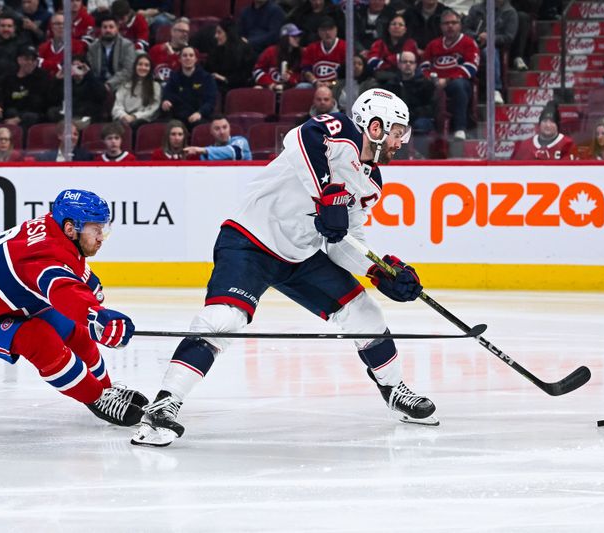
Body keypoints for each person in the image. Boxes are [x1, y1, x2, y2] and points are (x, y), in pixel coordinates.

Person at [131, 88, 435, 447]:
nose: (402, 140)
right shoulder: (337, 132)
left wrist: (380, 270)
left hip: (300, 258)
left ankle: (394, 390)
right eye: (398, 131)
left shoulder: (371, 182)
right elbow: (301, 139)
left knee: (364, 311)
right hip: (249, 242)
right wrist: (327, 194)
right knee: (223, 321)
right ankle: (163, 408)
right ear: (375, 125)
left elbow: (343, 240)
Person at [0, 189, 147, 428]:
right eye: (96, 230)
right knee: (38, 338)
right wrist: (94, 314)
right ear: (70, 229)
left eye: (103, 229)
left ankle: (106, 389)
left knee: (71, 328)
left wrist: (89, 289)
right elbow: (60, 286)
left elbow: (66, 264)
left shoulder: (54, 227)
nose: (101, 237)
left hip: (0, 294)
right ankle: (98, 399)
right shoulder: (43, 256)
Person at [420, 9, 479, 141]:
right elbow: (424, 66)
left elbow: (471, 67)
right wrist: (432, 78)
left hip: (458, 82)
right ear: (441, 26)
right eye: (446, 23)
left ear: (460, 25)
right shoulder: (433, 44)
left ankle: (460, 128)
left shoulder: (469, 43)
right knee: (420, 84)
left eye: (454, 22)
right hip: (435, 81)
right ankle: (427, 127)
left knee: (459, 86)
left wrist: (447, 80)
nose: (450, 26)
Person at [383, 50, 436, 158]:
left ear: (415, 65)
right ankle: (397, 157)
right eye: (405, 61)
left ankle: (420, 155)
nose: (408, 64)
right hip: (398, 119)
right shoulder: (391, 85)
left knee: (421, 125)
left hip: (419, 117)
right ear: (399, 64)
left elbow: (431, 108)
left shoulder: (426, 84)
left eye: (411, 62)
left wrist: (412, 114)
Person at [463, 0, 518, 104]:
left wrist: (490, 38)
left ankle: (495, 89)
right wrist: (477, 37)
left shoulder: (510, 12)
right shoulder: (476, 9)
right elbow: (465, 30)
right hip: (473, 44)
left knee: (490, 51)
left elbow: (509, 37)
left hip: (494, 46)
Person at [0, 44, 52, 130]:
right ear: (19, 60)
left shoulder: (42, 76)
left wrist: (19, 119)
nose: (30, 63)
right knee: (10, 112)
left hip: (34, 115)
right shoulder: (8, 77)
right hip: (11, 113)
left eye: (33, 60)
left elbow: (38, 104)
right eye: (27, 59)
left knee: (29, 117)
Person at [161, 45, 217, 129]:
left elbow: (210, 101)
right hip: (177, 118)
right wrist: (165, 101)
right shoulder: (174, 77)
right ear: (179, 59)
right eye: (184, 55)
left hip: (199, 116)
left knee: (201, 126)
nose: (188, 58)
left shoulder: (206, 78)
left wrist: (200, 113)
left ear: (195, 59)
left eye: (191, 55)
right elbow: (167, 94)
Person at [48, 54, 108, 124]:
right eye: (73, 67)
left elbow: (102, 95)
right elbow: (52, 99)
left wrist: (89, 75)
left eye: (79, 67)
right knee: (52, 112)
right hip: (70, 112)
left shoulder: (92, 80)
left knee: (87, 112)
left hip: (86, 114)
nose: (76, 69)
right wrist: (57, 80)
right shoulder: (66, 81)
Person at [205, 20, 256, 95]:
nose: (215, 36)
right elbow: (208, 70)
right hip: (219, 87)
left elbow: (246, 76)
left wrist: (225, 79)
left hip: (240, 90)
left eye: (219, 32)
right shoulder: (216, 49)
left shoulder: (245, 50)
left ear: (228, 33)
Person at [87, 14, 136, 92]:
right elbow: (92, 71)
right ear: (101, 29)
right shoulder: (93, 47)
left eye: (111, 27)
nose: (108, 30)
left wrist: (109, 84)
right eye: (105, 27)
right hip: (98, 86)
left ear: (117, 28)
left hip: (120, 85)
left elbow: (128, 71)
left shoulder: (127, 45)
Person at [511, 101, 576, 160]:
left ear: (557, 125)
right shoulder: (525, 145)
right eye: (544, 121)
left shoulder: (567, 145)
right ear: (539, 124)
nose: (548, 125)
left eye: (552, 122)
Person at [112, 52, 161, 128]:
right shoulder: (125, 84)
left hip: (143, 122)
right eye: (140, 64)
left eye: (146, 65)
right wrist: (124, 116)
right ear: (135, 66)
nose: (143, 67)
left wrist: (135, 116)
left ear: (150, 68)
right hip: (123, 120)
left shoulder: (155, 86)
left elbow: (153, 109)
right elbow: (117, 105)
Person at [366, 15, 420, 84]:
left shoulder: (411, 44)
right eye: (393, 24)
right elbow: (372, 62)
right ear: (388, 28)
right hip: (381, 79)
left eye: (400, 25)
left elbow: (405, 61)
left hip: (405, 79)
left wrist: (384, 61)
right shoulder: (379, 43)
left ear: (405, 30)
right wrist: (394, 61)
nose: (396, 27)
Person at [252, 23, 303, 92]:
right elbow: (257, 71)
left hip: (290, 89)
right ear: (285, 38)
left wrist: (291, 79)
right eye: (294, 36)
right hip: (269, 87)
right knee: (257, 89)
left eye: (298, 36)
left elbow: (302, 73)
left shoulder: (301, 53)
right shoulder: (270, 51)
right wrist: (270, 84)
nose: (297, 39)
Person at [38, 14, 88, 78]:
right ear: (51, 27)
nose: (61, 26)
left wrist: (45, 63)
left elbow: (73, 69)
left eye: (64, 24)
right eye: (57, 24)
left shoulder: (77, 46)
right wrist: (59, 66)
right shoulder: (43, 47)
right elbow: (39, 68)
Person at [301, 17, 347, 86]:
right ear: (319, 32)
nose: (327, 33)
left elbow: (348, 74)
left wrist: (333, 84)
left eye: (330, 29)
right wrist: (315, 82)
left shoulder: (345, 47)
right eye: (323, 30)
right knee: (302, 86)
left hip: (338, 85)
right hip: (316, 85)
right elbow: (306, 70)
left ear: (336, 30)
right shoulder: (311, 48)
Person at [183, 115, 251, 161]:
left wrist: (204, 150)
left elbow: (233, 151)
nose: (222, 132)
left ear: (230, 128)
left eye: (225, 127)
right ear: (211, 131)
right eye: (217, 129)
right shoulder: (206, 152)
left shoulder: (241, 142)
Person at [149, 17, 189, 83]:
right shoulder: (156, 49)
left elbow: (185, 75)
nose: (185, 34)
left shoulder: (190, 54)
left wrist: (172, 55)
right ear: (172, 32)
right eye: (181, 31)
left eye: (187, 32)